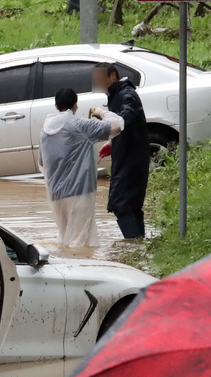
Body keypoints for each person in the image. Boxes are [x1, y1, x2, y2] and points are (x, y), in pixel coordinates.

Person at [39, 87, 124, 250]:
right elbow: (118, 125)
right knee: (80, 242)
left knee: (65, 240)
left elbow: (43, 164)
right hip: (80, 193)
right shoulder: (78, 125)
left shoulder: (44, 131)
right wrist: (101, 113)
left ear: (56, 106)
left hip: (56, 195)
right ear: (75, 106)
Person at [93, 62, 151, 240]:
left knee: (120, 204)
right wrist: (113, 141)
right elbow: (125, 126)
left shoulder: (126, 94)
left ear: (113, 76)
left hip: (132, 159)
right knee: (131, 205)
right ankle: (139, 245)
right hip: (128, 155)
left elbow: (127, 114)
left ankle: (133, 244)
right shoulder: (115, 95)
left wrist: (107, 117)